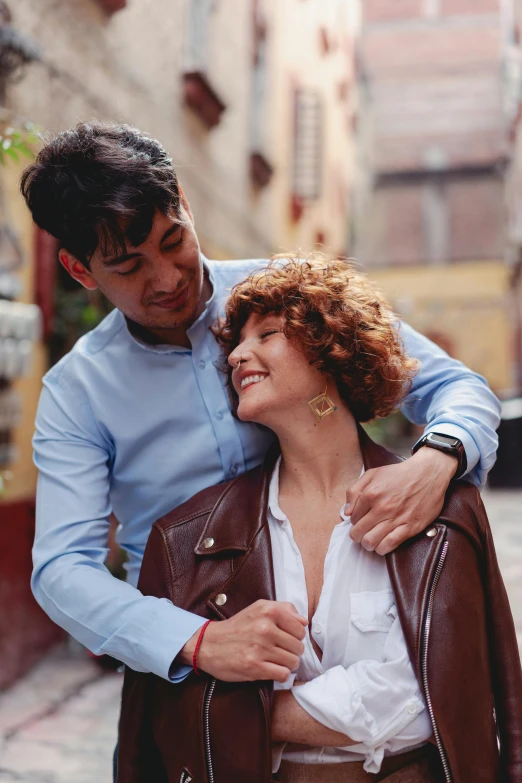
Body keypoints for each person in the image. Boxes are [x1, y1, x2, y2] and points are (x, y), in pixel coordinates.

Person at [20, 122, 500, 749]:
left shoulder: (285, 301)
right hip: (195, 672)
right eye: (130, 265)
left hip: (347, 622)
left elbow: (456, 387)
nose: (168, 277)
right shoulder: (76, 392)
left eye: (173, 240)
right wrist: (198, 642)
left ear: (185, 206)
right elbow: (62, 569)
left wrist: (435, 461)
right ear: (80, 270)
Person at [116, 257, 522, 783]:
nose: (239, 354)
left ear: (332, 350)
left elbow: (430, 693)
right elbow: (150, 728)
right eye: (237, 343)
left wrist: (243, 711)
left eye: (267, 334)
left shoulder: (446, 513)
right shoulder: (183, 538)